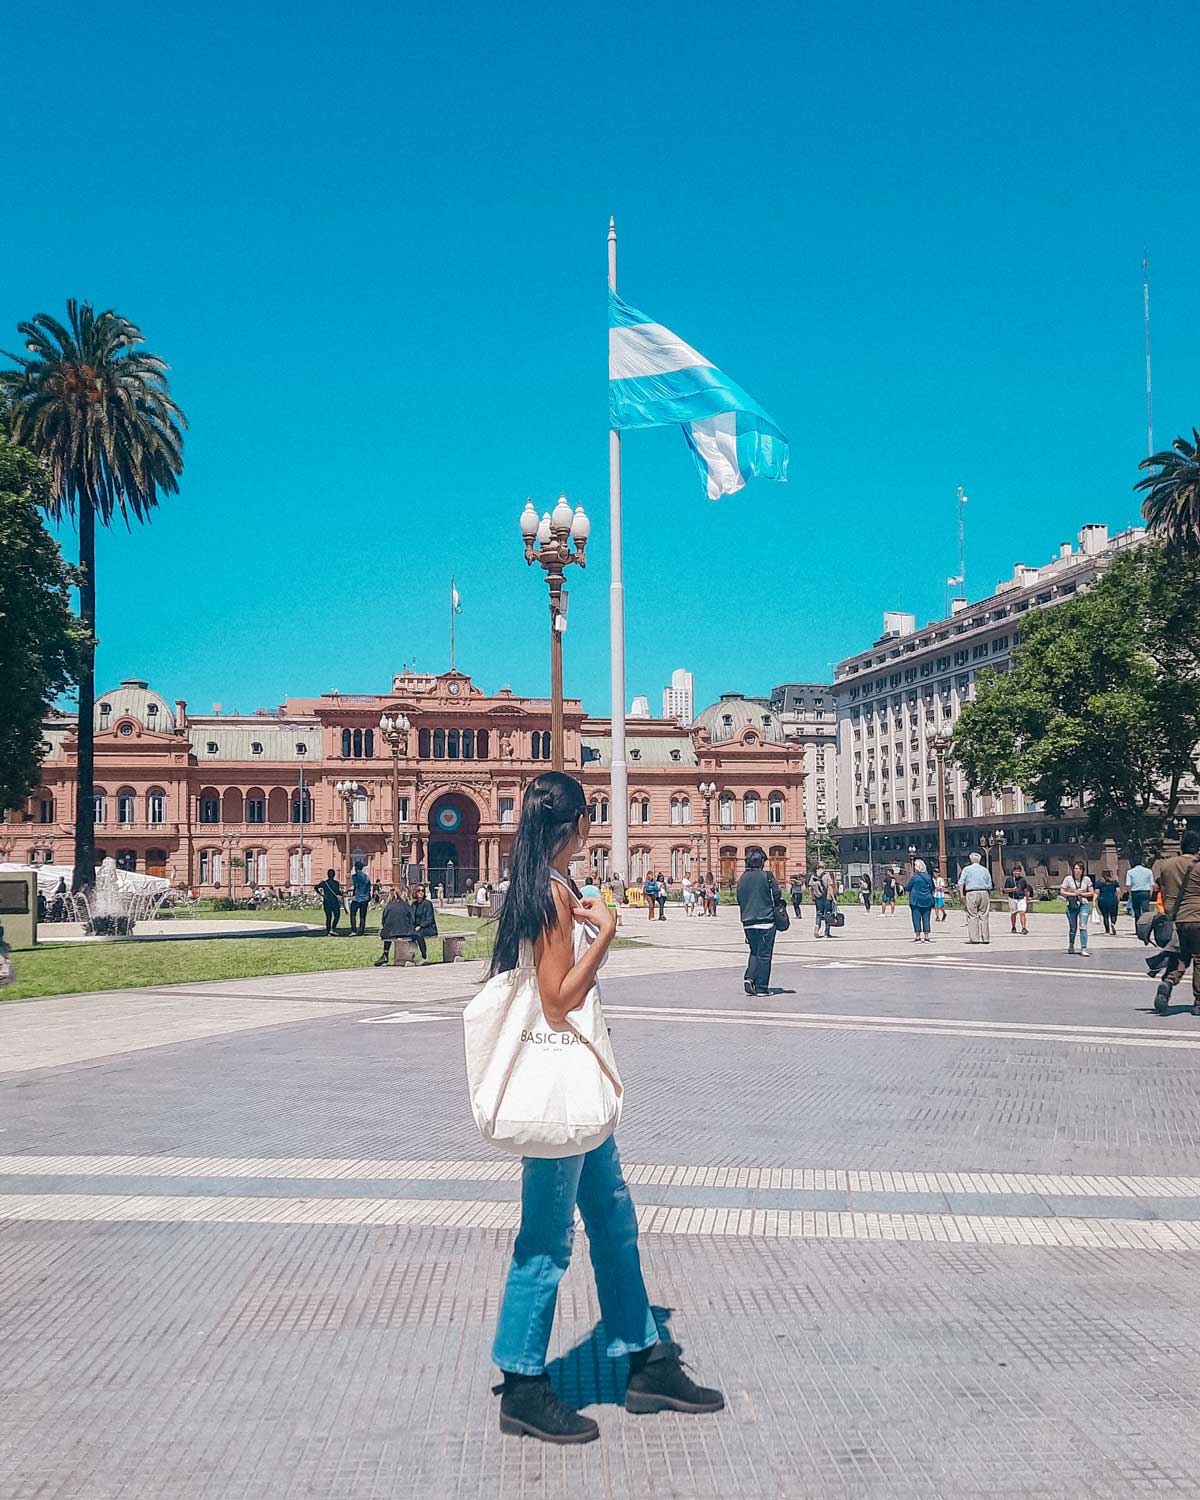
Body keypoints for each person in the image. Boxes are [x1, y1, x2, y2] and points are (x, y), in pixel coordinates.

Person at [487, 771, 723, 1444]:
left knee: (615, 1222)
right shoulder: (553, 895)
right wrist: (608, 934)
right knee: (548, 1239)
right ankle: (523, 1382)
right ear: (578, 826)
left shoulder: (545, 886)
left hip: (576, 1095)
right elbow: (558, 999)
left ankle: (645, 1358)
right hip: (560, 1095)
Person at [1151, 830, 1200, 1015]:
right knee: (1199, 959)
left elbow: (1163, 891)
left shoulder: (1166, 865)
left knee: (1181, 956)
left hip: (1178, 919)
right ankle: (1198, 1002)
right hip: (1197, 917)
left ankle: (1168, 982)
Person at [737, 847, 782, 996]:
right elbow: (777, 894)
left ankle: (750, 978)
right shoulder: (767, 876)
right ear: (762, 861)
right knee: (765, 955)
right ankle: (762, 987)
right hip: (765, 920)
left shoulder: (742, 878)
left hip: (748, 922)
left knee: (755, 951)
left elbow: (741, 901)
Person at [1059, 862, 1094, 956]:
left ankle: (1084, 947)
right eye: (1075, 868)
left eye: (1079, 869)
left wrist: (1082, 894)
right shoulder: (1068, 879)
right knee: (1073, 927)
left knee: (1083, 926)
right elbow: (1062, 891)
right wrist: (1073, 894)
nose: (1077, 871)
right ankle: (1071, 944)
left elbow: (1091, 892)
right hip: (1072, 905)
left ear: (1082, 871)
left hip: (1083, 904)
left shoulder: (1086, 879)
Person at [957, 852, 993, 943]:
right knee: (984, 915)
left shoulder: (966, 869)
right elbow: (989, 884)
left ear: (971, 859)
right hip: (984, 892)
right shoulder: (985, 870)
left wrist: (961, 894)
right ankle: (986, 938)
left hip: (971, 892)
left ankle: (974, 938)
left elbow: (961, 883)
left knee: (972, 915)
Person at [374, 888, 416, 965]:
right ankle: (412, 955)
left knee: (387, 931)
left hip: (390, 933)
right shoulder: (406, 905)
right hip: (406, 932)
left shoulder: (388, 907)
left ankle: (385, 954)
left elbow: (383, 922)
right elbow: (412, 919)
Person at [904, 858, 935, 942]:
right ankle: (926, 935)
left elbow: (908, 887)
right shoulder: (928, 877)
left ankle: (918, 935)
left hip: (916, 900)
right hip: (927, 900)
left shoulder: (915, 878)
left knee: (916, 918)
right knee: (926, 917)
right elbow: (932, 887)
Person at [411, 884, 437, 960]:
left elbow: (430, 919)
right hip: (417, 928)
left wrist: (420, 926)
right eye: (419, 891)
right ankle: (411, 955)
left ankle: (424, 956)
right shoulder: (414, 905)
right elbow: (411, 918)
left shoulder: (428, 904)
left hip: (429, 928)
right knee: (409, 934)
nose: (421, 892)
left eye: (422, 891)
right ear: (415, 892)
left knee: (419, 934)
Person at [1004, 864, 1031, 935]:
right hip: (1012, 898)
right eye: (1016, 871)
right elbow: (1005, 890)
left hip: (1021, 898)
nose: (1017, 873)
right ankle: (1013, 927)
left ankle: (1024, 928)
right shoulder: (1009, 880)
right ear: (1013, 872)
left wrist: (1027, 898)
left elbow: (1025, 889)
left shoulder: (1023, 880)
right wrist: (1012, 889)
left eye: (1019, 871)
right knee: (1014, 913)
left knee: (1022, 913)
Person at [315, 868, 344, 935]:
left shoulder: (324, 883)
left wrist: (321, 894)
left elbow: (316, 887)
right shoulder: (336, 883)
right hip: (334, 902)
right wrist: (342, 894)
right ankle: (333, 928)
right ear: (334, 875)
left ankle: (328, 931)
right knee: (337, 915)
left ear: (328, 875)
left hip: (327, 901)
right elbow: (337, 892)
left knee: (328, 917)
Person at [1126, 857, 1154, 925]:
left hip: (1135, 892)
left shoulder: (1130, 872)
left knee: (1136, 910)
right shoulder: (1148, 871)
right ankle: (1146, 925)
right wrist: (1151, 893)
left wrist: (1130, 894)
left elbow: (1128, 885)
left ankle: (1138, 926)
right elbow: (1151, 884)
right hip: (1145, 891)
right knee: (1145, 910)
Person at [810, 864, 835, 938]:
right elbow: (830, 888)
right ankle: (827, 932)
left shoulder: (813, 876)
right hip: (827, 898)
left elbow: (810, 888)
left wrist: (812, 896)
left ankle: (817, 928)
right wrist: (833, 899)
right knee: (828, 914)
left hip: (818, 898)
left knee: (819, 914)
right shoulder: (827, 875)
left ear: (817, 867)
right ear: (824, 867)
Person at [347, 858, 371, 936]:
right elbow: (368, 887)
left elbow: (355, 886)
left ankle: (354, 930)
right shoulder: (366, 877)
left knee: (353, 914)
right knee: (362, 916)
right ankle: (361, 931)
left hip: (357, 898)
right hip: (365, 898)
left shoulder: (354, 876)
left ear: (356, 868)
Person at [1095, 868, 1121, 935]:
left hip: (1102, 900)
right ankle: (1113, 923)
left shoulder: (1099, 882)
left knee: (1105, 916)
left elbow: (1097, 892)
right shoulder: (1114, 882)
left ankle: (1107, 930)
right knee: (1113, 914)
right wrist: (1118, 899)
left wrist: (1094, 900)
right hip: (1112, 899)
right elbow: (1118, 891)